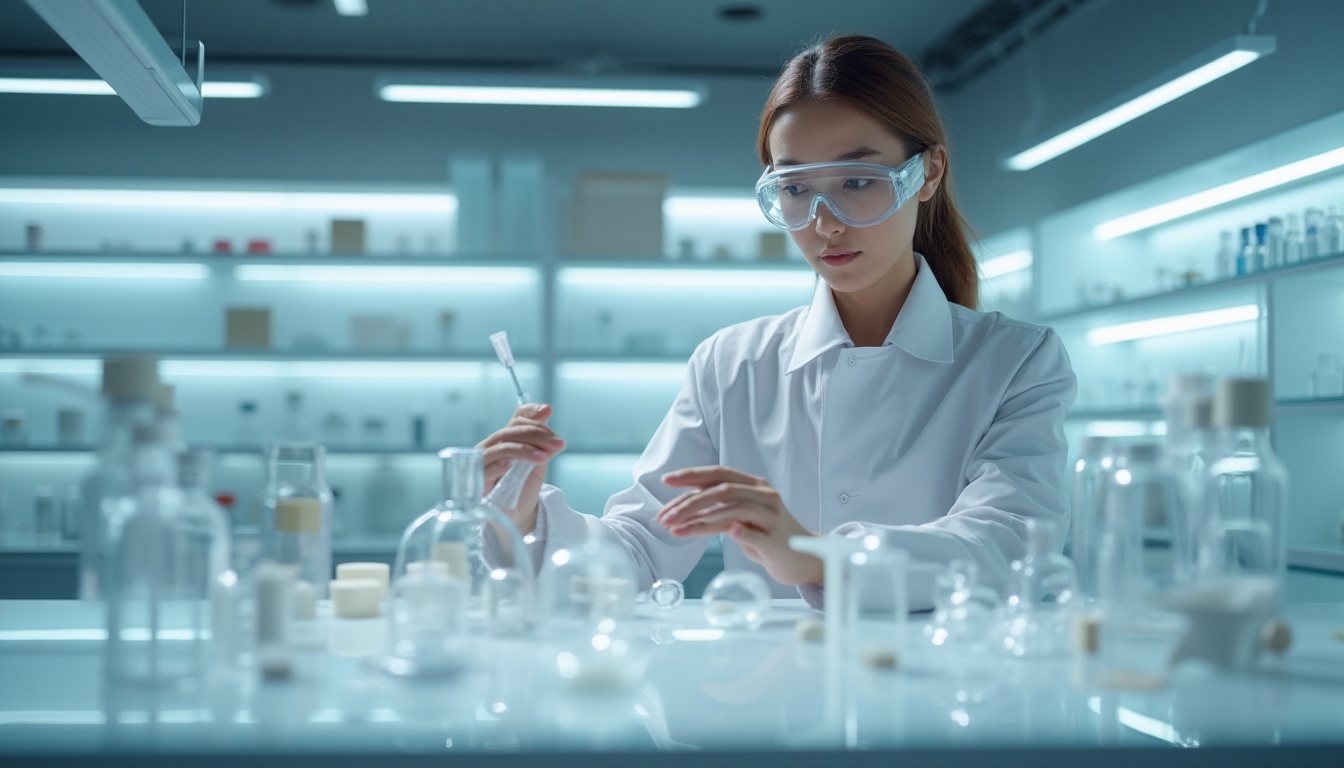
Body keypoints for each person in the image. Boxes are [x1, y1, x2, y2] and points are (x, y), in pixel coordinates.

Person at [479, 34, 1076, 611]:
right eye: (794, 188)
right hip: (773, 700)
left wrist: (814, 557)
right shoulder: (732, 364)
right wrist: (523, 517)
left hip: (947, 695)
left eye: (858, 182)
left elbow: (1012, 545)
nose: (825, 222)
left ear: (928, 173)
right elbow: (639, 550)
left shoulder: (1016, 362)